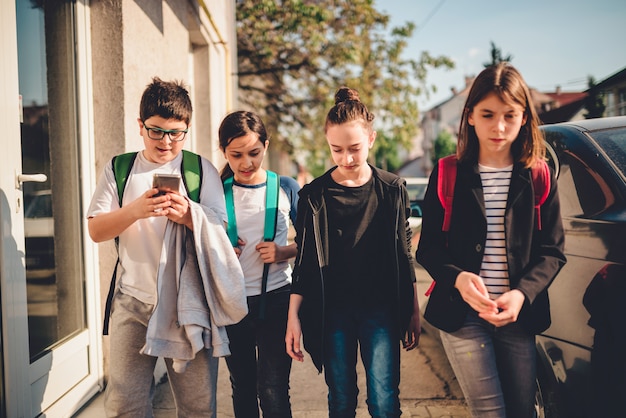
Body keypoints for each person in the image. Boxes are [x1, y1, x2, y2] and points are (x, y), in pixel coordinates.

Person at [86, 77, 247, 417]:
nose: (166, 141)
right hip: (132, 303)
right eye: (156, 131)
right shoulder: (119, 169)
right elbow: (96, 230)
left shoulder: (199, 169)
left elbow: (219, 227)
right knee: (125, 405)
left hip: (187, 303)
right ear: (140, 126)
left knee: (197, 408)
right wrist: (135, 210)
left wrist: (191, 216)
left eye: (176, 133)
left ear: (187, 129)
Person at [416, 63, 567, 418]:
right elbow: (428, 248)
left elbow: (553, 251)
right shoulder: (448, 172)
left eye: (509, 116)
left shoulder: (540, 174)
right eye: (487, 114)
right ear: (469, 116)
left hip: (517, 314)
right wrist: (457, 277)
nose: (499, 127)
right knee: (490, 413)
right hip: (461, 314)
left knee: (522, 411)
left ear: (524, 118)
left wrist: (521, 293)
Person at [285, 87, 421, 417]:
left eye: (355, 148)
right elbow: (303, 261)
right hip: (332, 314)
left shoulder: (392, 189)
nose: (347, 158)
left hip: (382, 312)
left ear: (371, 139)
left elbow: (405, 251)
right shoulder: (313, 196)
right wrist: (293, 317)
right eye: (337, 149)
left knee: (384, 399)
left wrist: (413, 308)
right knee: (341, 398)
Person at [218, 110, 300, 417]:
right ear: (224, 151)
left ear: (266, 145)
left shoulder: (286, 187)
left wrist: (284, 252)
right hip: (232, 302)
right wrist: (221, 245)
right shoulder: (216, 190)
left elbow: (314, 241)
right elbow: (198, 239)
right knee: (242, 385)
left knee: (273, 387)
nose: (246, 163)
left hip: (277, 299)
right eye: (236, 155)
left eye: (254, 153)